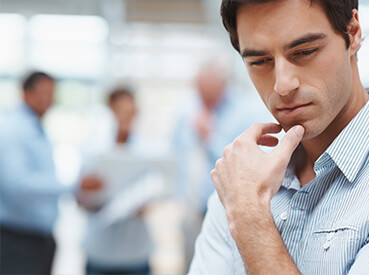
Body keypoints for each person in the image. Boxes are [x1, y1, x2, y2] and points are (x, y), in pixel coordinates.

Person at [189, 0, 369, 274]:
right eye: (260, 61)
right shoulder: (242, 183)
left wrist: (250, 218)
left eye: (305, 51)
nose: (282, 85)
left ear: (354, 32)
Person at [172, 56, 270, 266]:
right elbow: (178, 155)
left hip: (228, 212)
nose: (203, 99)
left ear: (223, 85)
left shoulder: (245, 112)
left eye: (209, 93)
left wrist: (209, 138)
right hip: (191, 211)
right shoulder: (186, 111)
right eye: (199, 92)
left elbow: (246, 163)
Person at [78, 88, 165, 275]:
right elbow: (79, 198)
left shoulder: (148, 149)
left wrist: (144, 204)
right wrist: (87, 193)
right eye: (120, 111)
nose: (125, 117)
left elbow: (158, 191)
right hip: (100, 252)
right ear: (110, 111)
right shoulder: (93, 148)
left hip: (136, 254)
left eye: (130, 112)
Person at [0, 71, 70, 274]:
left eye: (51, 94)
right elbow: (17, 185)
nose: (48, 100)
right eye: (43, 93)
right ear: (26, 94)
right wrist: (70, 187)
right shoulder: (12, 129)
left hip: (38, 240)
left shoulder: (36, 127)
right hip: (17, 240)